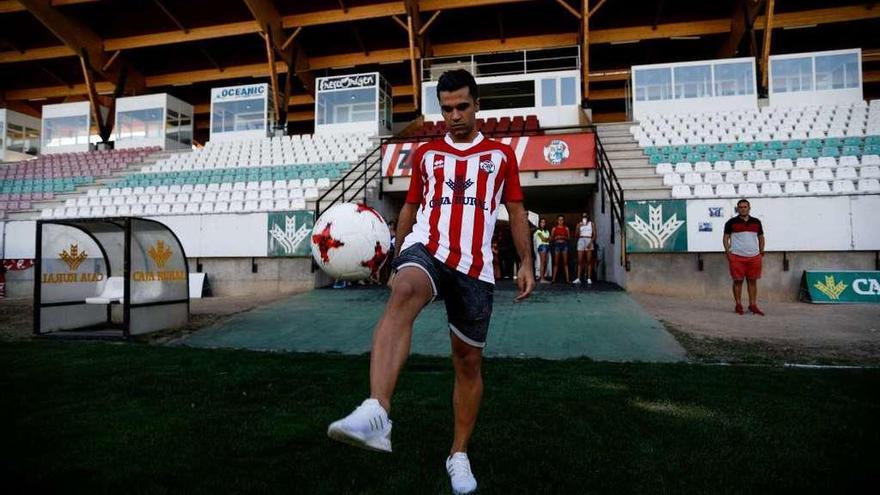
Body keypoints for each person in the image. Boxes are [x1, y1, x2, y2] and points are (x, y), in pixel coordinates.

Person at [327, 69, 535, 495]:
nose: (454, 116)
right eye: (446, 109)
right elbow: (409, 209)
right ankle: (377, 412)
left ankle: (458, 453)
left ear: (477, 105)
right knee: (404, 291)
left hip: (476, 266)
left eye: (462, 106)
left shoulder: (501, 156)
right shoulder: (427, 156)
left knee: (467, 362)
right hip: (429, 248)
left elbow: (515, 212)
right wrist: (397, 253)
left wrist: (526, 262)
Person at [722, 199, 765, 316]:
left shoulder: (757, 222)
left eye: (745, 207)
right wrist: (728, 253)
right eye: (740, 207)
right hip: (737, 257)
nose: (743, 209)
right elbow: (725, 238)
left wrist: (761, 252)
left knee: (753, 282)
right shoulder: (731, 222)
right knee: (738, 282)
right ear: (737, 208)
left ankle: (753, 305)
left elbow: (761, 237)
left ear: (749, 208)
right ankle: (738, 305)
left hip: (754, 257)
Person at [573, 212, 596, 285]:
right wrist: (578, 227)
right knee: (580, 260)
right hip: (581, 239)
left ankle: (589, 278)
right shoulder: (579, 224)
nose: (584, 217)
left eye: (586, 216)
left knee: (589, 260)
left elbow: (595, 235)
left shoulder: (591, 224)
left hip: (589, 239)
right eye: (583, 216)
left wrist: (590, 242)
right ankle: (578, 278)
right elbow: (576, 235)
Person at [550, 215, 571, 283]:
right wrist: (556, 238)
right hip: (557, 245)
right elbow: (551, 238)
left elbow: (569, 238)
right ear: (557, 220)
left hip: (564, 245)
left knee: (565, 262)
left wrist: (563, 237)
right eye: (559, 220)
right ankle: (553, 279)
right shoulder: (554, 228)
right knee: (556, 263)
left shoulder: (566, 228)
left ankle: (567, 279)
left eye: (562, 220)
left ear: (563, 220)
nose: (560, 221)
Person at [533, 218, 551, 283]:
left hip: (547, 246)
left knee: (545, 262)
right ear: (539, 223)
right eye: (541, 222)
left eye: (544, 222)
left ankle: (543, 277)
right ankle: (542, 278)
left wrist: (547, 239)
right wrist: (547, 239)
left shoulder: (547, 231)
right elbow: (543, 239)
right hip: (542, 246)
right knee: (542, 262)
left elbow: (550, 239)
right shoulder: (538, 231)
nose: (543, 224)